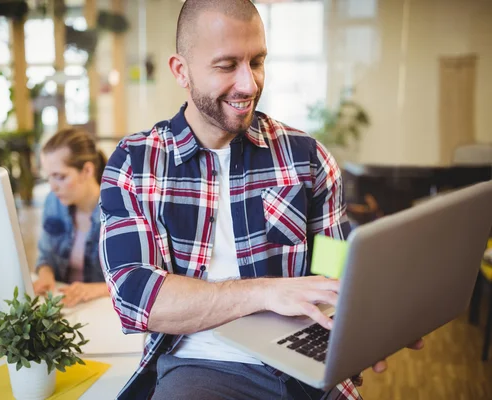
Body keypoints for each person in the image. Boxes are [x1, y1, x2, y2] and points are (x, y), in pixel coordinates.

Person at [99, 1, 423, 399]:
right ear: (181, 71)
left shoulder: (307, 157)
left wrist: (369, 319)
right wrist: (266, 291)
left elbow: (334, 274)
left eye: (256, 62)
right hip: (202, 367)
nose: (249, 84)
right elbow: (135, 298)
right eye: (226, 65)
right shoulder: (136, 161)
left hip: (306, 358)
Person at [33, 128, 109, 307]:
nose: (52, 187)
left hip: (103, 311)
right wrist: (45, 273)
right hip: (64, 306)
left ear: (87, 170)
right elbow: (46, 256)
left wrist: (94, 289)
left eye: (60, 177)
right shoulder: (54, 202)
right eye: (49, 177)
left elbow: (137, 281)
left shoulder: (119, 211)